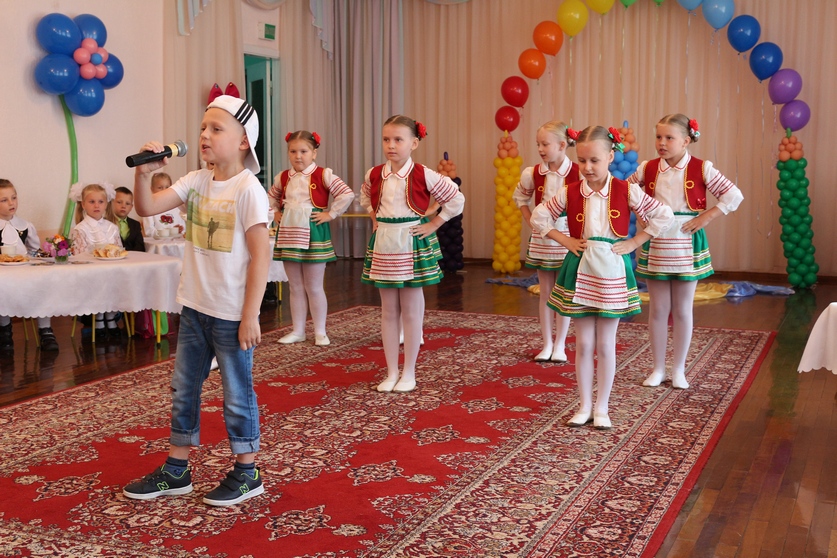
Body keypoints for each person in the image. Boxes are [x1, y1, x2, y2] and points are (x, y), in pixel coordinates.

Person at [122, 95, 271, 507]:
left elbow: (262, 255)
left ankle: (247, 472)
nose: (205, 135)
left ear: (243, 141)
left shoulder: (248, 189)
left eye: (216, 129)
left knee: (237, 392)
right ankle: (177, 469)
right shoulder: (195, 180)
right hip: (195, 307)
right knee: (183, 388)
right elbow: (147, 207)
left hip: (231, 314)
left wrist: (250, 314)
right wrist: (144, 174)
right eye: (204, 127)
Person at [531, 126, 674, 429]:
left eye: (594, 160)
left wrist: (635, 242)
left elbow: (664, 215)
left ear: (610, 157)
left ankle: (602, 408)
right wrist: (565, 240)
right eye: (582, 161)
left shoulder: (626, 191)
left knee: (606, 344)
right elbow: (539, 216)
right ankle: (584, 405)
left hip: (611, 270)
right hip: (580, 268)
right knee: (584, 343)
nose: (587, 167)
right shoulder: (569, 192)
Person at [628, 114, 743, 390]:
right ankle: (658, 368)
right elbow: (625, 190)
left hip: (686, 240)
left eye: (669, 138)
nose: (662, 143)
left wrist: (706, 217)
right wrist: (641, 215)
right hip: (658, 239)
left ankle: (678, 369)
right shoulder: (647, 168)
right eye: (659, 137)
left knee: (682, 309)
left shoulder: (703, 168)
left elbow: (733, 195)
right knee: (658, 309)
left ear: (686, 140)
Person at [360, 115, 464, 393]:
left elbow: (456, 199)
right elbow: (365, 197)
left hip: (410, 241)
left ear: (414, 143)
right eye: (386, 139)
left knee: (411, 310)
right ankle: (391, 371)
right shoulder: (374, 173)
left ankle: (409, 372)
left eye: (398, 139)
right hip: (385, 242)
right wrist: (374, 218)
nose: (391, 145)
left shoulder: (424, 174)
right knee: (388, 310)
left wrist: (433, 224)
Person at [268, 130, 354, 346]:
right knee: (295, 286)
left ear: (314, 153)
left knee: (314, 286)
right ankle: (298, 330)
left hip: (313, 231)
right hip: (289, 231)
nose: (298, 156)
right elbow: (270, 197)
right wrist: (275, 212)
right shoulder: (282, 177)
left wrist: (330, 214)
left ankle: (320, 331)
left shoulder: (324, 175)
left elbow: (346, 193)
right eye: (293, 151)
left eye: (304, 151)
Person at [513, 120, 578, 363]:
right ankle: (547, 343)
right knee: (545, 292)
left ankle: (560, 344)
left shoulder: (578, 172)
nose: (540, 149)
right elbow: (521, 197)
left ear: (562, 145)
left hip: (567, 235)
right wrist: (530, 219)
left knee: (564, 291)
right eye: (538, 144)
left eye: (545, 144)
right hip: (543, 235)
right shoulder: (533, 173)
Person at [0, 179, 59, 352]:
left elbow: (34, 251)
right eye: (4, 200)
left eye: (14, 198)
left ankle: (45, 330)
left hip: (25, 273)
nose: (11, 203)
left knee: (42, 285)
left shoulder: (25, 226)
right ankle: (4, 330)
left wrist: (49, 254)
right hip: (3, 275)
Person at [70, 182, 123, 338]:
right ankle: (98, 318)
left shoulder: (112, 227)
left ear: (106, 204)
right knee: (99, 284)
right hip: (91, 272)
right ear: (83, 204)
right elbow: (78, 255)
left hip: (112, 270)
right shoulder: (81, 229)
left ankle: (111, 317)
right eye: (91, 201)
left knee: (116, 282)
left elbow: (119, 249)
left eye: (100, 201)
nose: (96, 205)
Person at [141, 172, 186, 238]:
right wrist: (170, 232)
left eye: (167, 187)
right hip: (158, 243)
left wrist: (180, 230)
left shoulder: (178, 207)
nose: (164, 191)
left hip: (177, 242)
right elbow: (149, 232)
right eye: (160, 187)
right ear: (152, 189)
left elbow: (184, 229)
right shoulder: (149, 209)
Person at [113, 187, 146, 252]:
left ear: (131, 207)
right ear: (111, 203)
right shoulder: (106, 223)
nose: (123, 206)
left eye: (127, 203)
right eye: (119, 202)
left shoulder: (135, 225)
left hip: (134, 257)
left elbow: (140, 247)